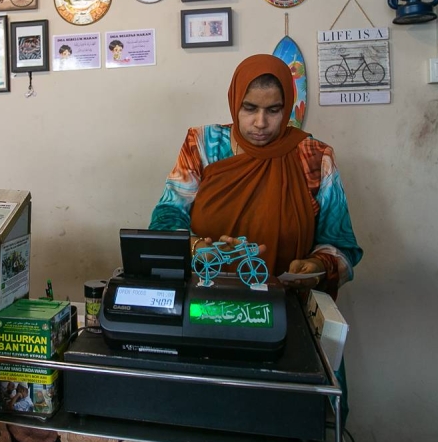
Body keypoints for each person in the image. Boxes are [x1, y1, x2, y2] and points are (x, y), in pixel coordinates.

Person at [149, 54, 362, 297]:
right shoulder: (203, 145)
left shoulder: (314, 158)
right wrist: (194, 247)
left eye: (273, 110)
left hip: (284, 305)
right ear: (235, 102)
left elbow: (341, 247)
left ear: (287, 107)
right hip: (202, 298)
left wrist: (318, 266)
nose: (260, 122)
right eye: (249, 108)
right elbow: (168, 216)